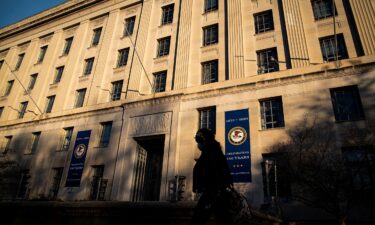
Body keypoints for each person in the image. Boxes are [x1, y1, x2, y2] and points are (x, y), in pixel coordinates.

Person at [191, 128, 233, 225]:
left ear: (205, 140)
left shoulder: (211, 153)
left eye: (198, 140)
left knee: (197, 220)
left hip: (213, 193)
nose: (197, 143)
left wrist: (202, 188)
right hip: (215, 193)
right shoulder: (212, 151)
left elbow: (210, 173)